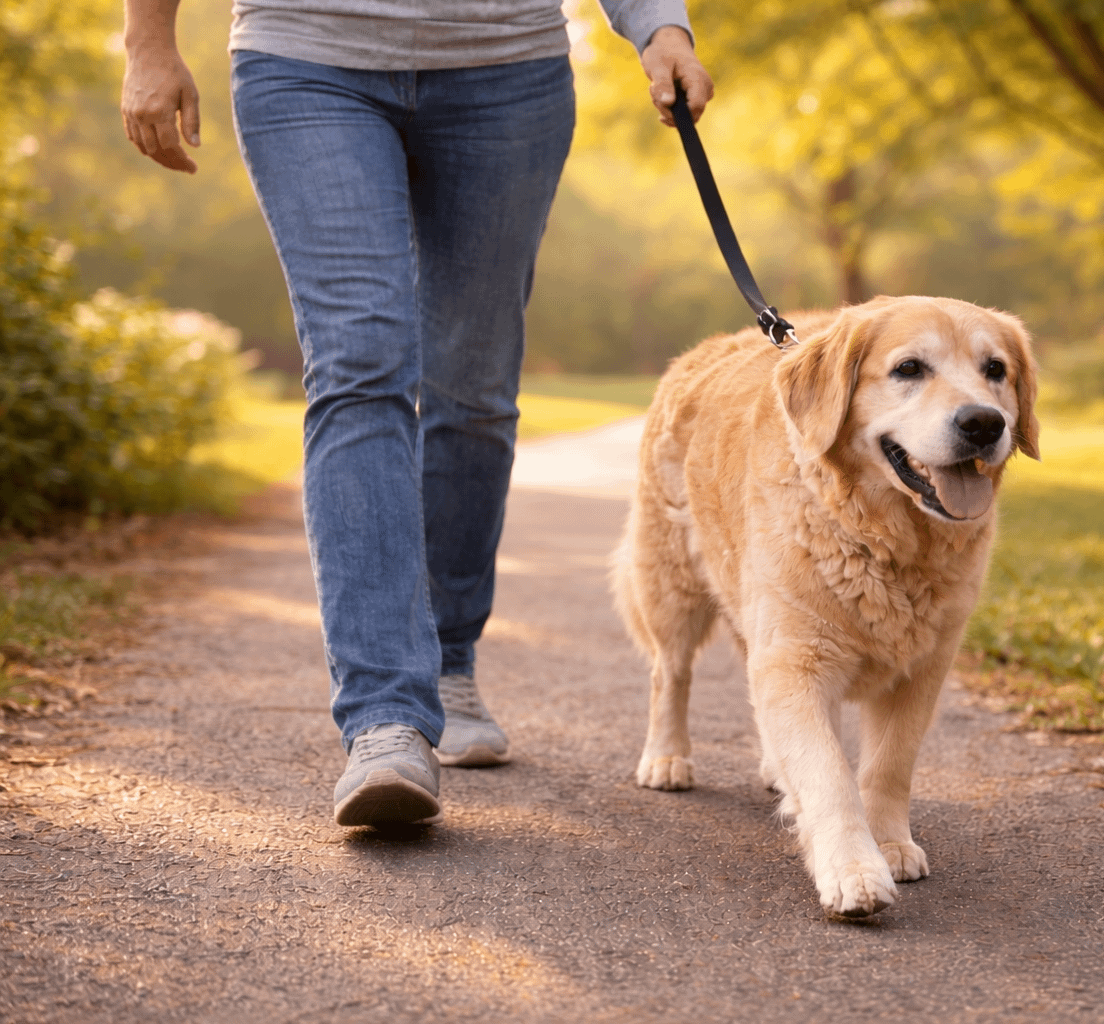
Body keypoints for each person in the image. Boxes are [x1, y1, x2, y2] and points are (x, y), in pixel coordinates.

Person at [120, 0, 713, 828]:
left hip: (505, 73)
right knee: (359, 363)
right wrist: (147, 42)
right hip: (306, 56)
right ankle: (385, 718)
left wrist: (662, 29)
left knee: (473, 390)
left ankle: (449, 659)